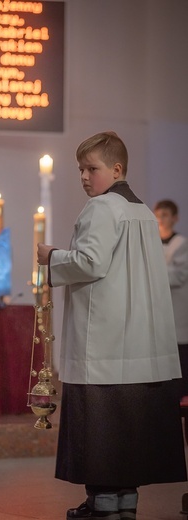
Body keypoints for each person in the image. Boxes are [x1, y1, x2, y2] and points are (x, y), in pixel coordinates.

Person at [37, 132, 186, 520]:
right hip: (137, 339)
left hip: (102, 341)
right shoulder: (142, 213)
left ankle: (102, 507)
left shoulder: (102, 207)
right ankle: (124, 504)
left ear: (117, 169)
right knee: (128, 432)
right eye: (80, 170)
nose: (85, 177)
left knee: (100, 430)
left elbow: (90, 263)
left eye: (92, 168)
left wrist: (52, 256)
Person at [154, 199, 188, 396]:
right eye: (157, 214)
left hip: (177, 308)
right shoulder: (152, 241)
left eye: (165, 215)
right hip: (157, 309)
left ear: (175, 218)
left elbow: (179, 275)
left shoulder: (181, 244)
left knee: (179, 355)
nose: (160, 219)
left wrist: (152, 272)